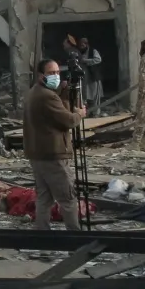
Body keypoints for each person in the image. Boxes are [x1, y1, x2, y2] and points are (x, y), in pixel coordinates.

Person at [23, 59, 83, 232]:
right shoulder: (47, 96)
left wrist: (63, 94)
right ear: (41, 75)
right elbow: (68, 120)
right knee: (68, 198)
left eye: (57, 72)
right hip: (53, 155)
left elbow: (55, 114)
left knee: (44, 197)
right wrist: (79, 114)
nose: (56, 76)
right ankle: (75, 236)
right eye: (51, 73)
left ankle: (42, 232)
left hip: (38, 154)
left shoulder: (34, 92)